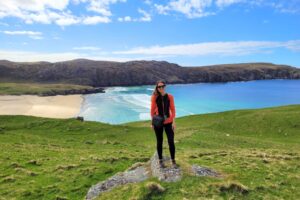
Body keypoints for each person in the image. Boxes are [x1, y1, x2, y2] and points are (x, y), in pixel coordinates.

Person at [150, 80, 177, 168]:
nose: (161, 88)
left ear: (165, 86)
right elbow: (152, 110)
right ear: (157, 88)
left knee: (171, 141)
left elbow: (173, 109)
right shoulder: (155, 97)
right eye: (159, 87)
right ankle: (160, 160)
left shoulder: (170, 97)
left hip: (168, 122)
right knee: (159, 141)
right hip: (158, 122)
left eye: (162, 86)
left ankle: (173, 160)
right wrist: (152, 123)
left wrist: (174, 122)